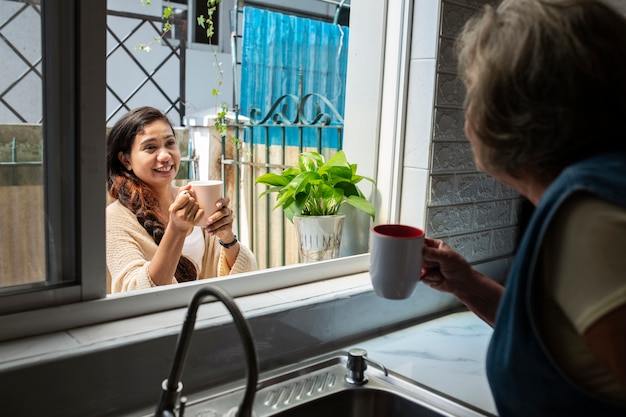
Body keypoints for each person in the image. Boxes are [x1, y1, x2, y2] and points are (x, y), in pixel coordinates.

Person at [420, 0, 626, 415]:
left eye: (474, 91)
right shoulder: (590, 194)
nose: (466, 114)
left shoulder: (586, 218)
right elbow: (562, 341)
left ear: (514, 112)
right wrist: (466, 283)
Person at [106, 106, 257, 293]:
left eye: (170, 143)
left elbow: (247, 275)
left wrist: (226, 237)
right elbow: (136, 292)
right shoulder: (115, 219)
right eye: (150, 147)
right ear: (126, 160)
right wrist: (176, 229)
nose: (165, 156)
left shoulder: (195, 200)